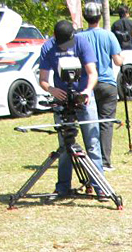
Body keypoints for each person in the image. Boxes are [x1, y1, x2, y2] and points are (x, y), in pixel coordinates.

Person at [37, 19, 103, 197]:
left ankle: (99, 187)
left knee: (93, 144)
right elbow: (42, 79)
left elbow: (92, 72)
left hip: (84, 99)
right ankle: (63, 187)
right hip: (62, 102)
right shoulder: (48, 48)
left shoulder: (82, 42)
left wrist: (87, 91)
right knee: (65, 146)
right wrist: (52, 89)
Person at [80, 3, 123, 172]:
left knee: (90, 122)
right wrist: (123, 57)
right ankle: (105, 161)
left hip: (87, 85)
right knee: (106, 123)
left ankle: (92, 159)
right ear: (100, 17)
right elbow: (118, 61)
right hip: (107, 83)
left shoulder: (80, 37)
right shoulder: (109, 35)